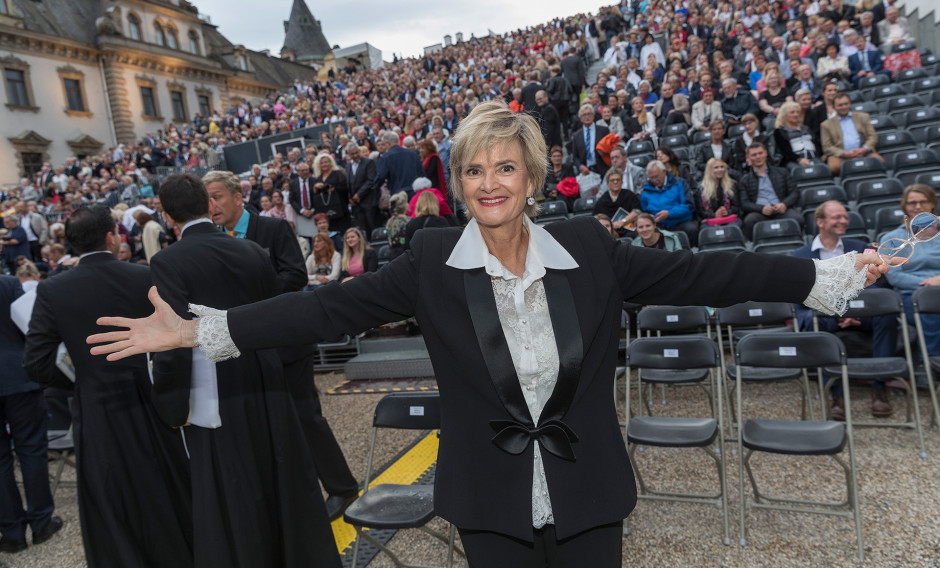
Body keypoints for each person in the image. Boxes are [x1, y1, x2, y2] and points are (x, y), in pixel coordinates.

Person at [89, 101, 893, 568]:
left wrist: (815, 277)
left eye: (504, 167)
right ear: (459, 181)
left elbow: (706, 279)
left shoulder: (586, 244)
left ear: (532, 176)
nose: (488, 183)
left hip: (589, 493)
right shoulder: (432, 257)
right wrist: (206, 333)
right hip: (487, 497)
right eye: (473, 170)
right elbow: (327, 310)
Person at [131, 174, 343, 568]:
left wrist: (172, 407)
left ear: (167, 215)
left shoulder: (166, 262)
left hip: (216, 389)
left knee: (233, 490)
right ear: (206, 204)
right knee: (282, 477)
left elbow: (174, 341)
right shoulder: (249, 251)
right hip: (265, 376)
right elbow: (271, 315)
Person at [22, 205, 189, 566]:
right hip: (148, 397)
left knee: (108, 497)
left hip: (95, 405)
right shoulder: (142, 277)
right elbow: (176, 341)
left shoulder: (52, 289)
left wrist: (79, 379)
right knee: (166, 486)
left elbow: (35, 364)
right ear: (112, 237)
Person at [791, 201, 897, 419]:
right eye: (836, 217)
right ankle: (835, 394)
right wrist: (839, 313)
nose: (843, 221)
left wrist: (855, 312)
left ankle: (879, 388)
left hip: (861, 312)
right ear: (820, 222)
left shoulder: (859, 247)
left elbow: (876, 285)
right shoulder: (800, 255)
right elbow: (801, 295)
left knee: (886, 315)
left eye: (845, 217)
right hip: (824, 315)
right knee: (812, 321)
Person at [0, 274, 62, 555]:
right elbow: (29, 325)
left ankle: (11, 532)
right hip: (17, 374)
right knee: (31, 450)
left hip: (17, 376)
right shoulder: (8, 283)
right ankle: (41, 523)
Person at [882, 185, 940, 364]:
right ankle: (931, 369)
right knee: (930, 311)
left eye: (923, 201)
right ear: (905, 206)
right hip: (912, 295)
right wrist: (928, 284)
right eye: (912, 202)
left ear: (932, 204)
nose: (917, 206)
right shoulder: (891, 239)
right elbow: (895, 276)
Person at [738, 141, 804, 240]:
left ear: (766, 153)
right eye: (754, 155)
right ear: (748, 158)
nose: (758, 157)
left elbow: (795, 192)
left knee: (798, 219)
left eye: (760, 153)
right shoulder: (745, 179)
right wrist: (761, 208)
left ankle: (795, 243)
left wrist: (784, 204)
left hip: (781, 209)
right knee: (749, 221)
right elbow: (744, 203)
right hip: (759, 212)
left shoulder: (782, 172)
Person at [821, 92, 883, 176]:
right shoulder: (826, 125)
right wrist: (844, 153)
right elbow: (827, 146)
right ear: (834, 107)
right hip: (840, 155)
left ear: (850, 104)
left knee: (880, 161)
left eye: (846, 104)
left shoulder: (863, 117)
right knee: (833, 167)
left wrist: (864, 149)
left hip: (863, 152)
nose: (844, 107)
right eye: (840, 105)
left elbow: (872, 136)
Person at [640, 160, 699, 246]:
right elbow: (644, 212)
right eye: (651, 178)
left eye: (656, 177)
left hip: (680, 221)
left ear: (664, 172)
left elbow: (689, 206)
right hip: (658, 225)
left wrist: (669, 213)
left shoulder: (679, 183)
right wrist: (649, 217)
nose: (654, 180)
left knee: (692, 229)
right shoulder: (646, 191)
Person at [375, 130, 425, 198]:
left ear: (388, 143)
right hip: (415, 193)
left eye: (384, 144)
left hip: (398, 195)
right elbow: (422, 173)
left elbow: (380, 177)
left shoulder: (386, 157)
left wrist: (374, 189)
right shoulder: (413, 154)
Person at [345, 142, 380, 238]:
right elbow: (348, 183)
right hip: (356, 205)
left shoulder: (368, 162)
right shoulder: (348, 166)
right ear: (348, 154)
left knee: (372, 227)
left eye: (357, 152)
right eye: (352, 154)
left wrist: (359, 195)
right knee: (361, 230)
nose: (355, 155)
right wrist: (350, 198)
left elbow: (370, 181)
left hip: (368, 202)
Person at [592, 168, 641, 234]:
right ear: (607, 184)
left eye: (618, 180)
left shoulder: (629, 195)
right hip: (609, 233)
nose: (615, 182)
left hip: (629, 231)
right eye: (612, 180)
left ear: (622, 182)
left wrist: (623, 221)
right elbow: (595, 218)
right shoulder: (602, 201)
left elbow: (637, 212)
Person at [774, 101, 821, 169]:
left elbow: (816, 144)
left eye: (797, 112)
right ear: (784, 115)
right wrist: (799, 160)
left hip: (813, 157)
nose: (796, 114)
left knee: (823, 168)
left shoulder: (806, 128)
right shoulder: (780, 132)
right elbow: (785, 150)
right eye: (792, 112)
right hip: (794, 160)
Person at [310, 154, 350, 232]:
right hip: (324, 210)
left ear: (330, 163)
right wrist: (315, 187)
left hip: (340, 208)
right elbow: (314, 195)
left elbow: (345, 188)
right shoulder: (318, 178)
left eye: (326, 162)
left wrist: (333, 188)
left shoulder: (338, 173)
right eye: (322, 163)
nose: (324, 164)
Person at [698, 158, 740, 225]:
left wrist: (727, 212)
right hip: (710, 220)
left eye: (722, 167)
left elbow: (737, 207)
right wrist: (714, 215)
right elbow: (700, 212)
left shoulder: (732, 185)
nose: (720, 170)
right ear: (710, 170)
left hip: (729, 218)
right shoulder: (701, 188)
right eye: (716, 167)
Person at [572, 104, 610, 176]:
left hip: (603, 169)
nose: (587, 116)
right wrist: (580, 166)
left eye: (589, 114)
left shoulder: (603, 130)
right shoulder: (576, 135)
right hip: (585, 171)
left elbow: (610, 149)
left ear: (593, 115)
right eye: (584, 115)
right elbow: (575, 156)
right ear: (580, 118)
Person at [385, 192, 410, 260]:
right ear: (405, 206)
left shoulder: (389, 221)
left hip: (393, 255)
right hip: (407, 255)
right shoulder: (409, 221)